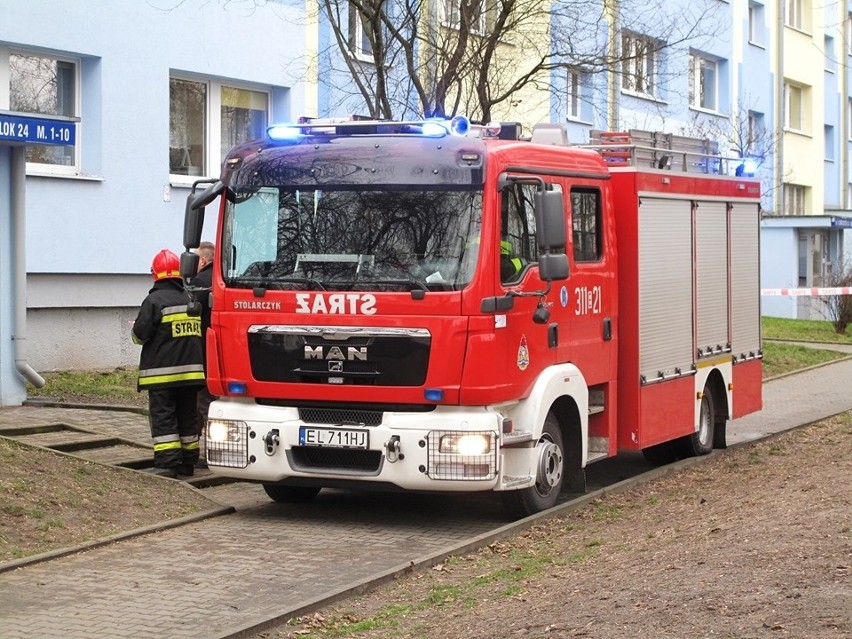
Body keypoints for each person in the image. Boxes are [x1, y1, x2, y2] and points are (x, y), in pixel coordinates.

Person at [132, 249, 205, 477]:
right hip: (191, 375)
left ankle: (167, 464)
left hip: (162, 375)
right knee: (187, 418)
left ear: (155, 274)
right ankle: (187, 463)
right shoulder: (190, 298)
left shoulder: (154, 301)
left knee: (164, 418)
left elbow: (139, 335)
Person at [190, 241, 216, 468]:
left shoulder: (199, 283)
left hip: (201, 352)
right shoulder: (221, 278)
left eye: (196, 258)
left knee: (202, 403)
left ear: (203, 261)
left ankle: (204, 454)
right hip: (217, 351)